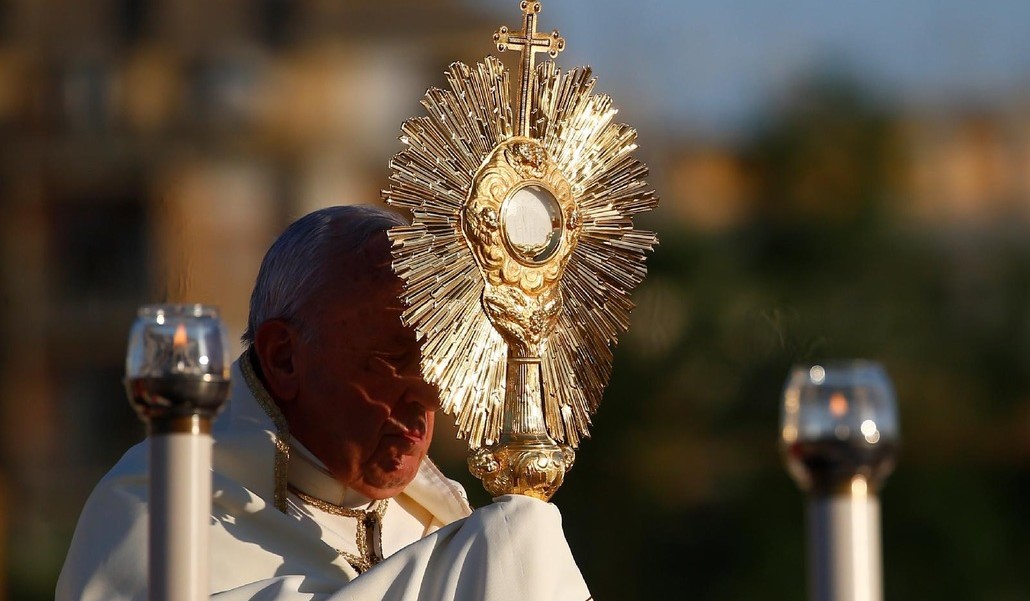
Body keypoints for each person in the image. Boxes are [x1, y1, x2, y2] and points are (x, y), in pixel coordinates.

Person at [57, 205, 590, 600]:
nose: (429, 395)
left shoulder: (438, 525)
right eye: (393, 358)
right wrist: (508, 550)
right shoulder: (159, 509)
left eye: (441, 361)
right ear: (285, 357)